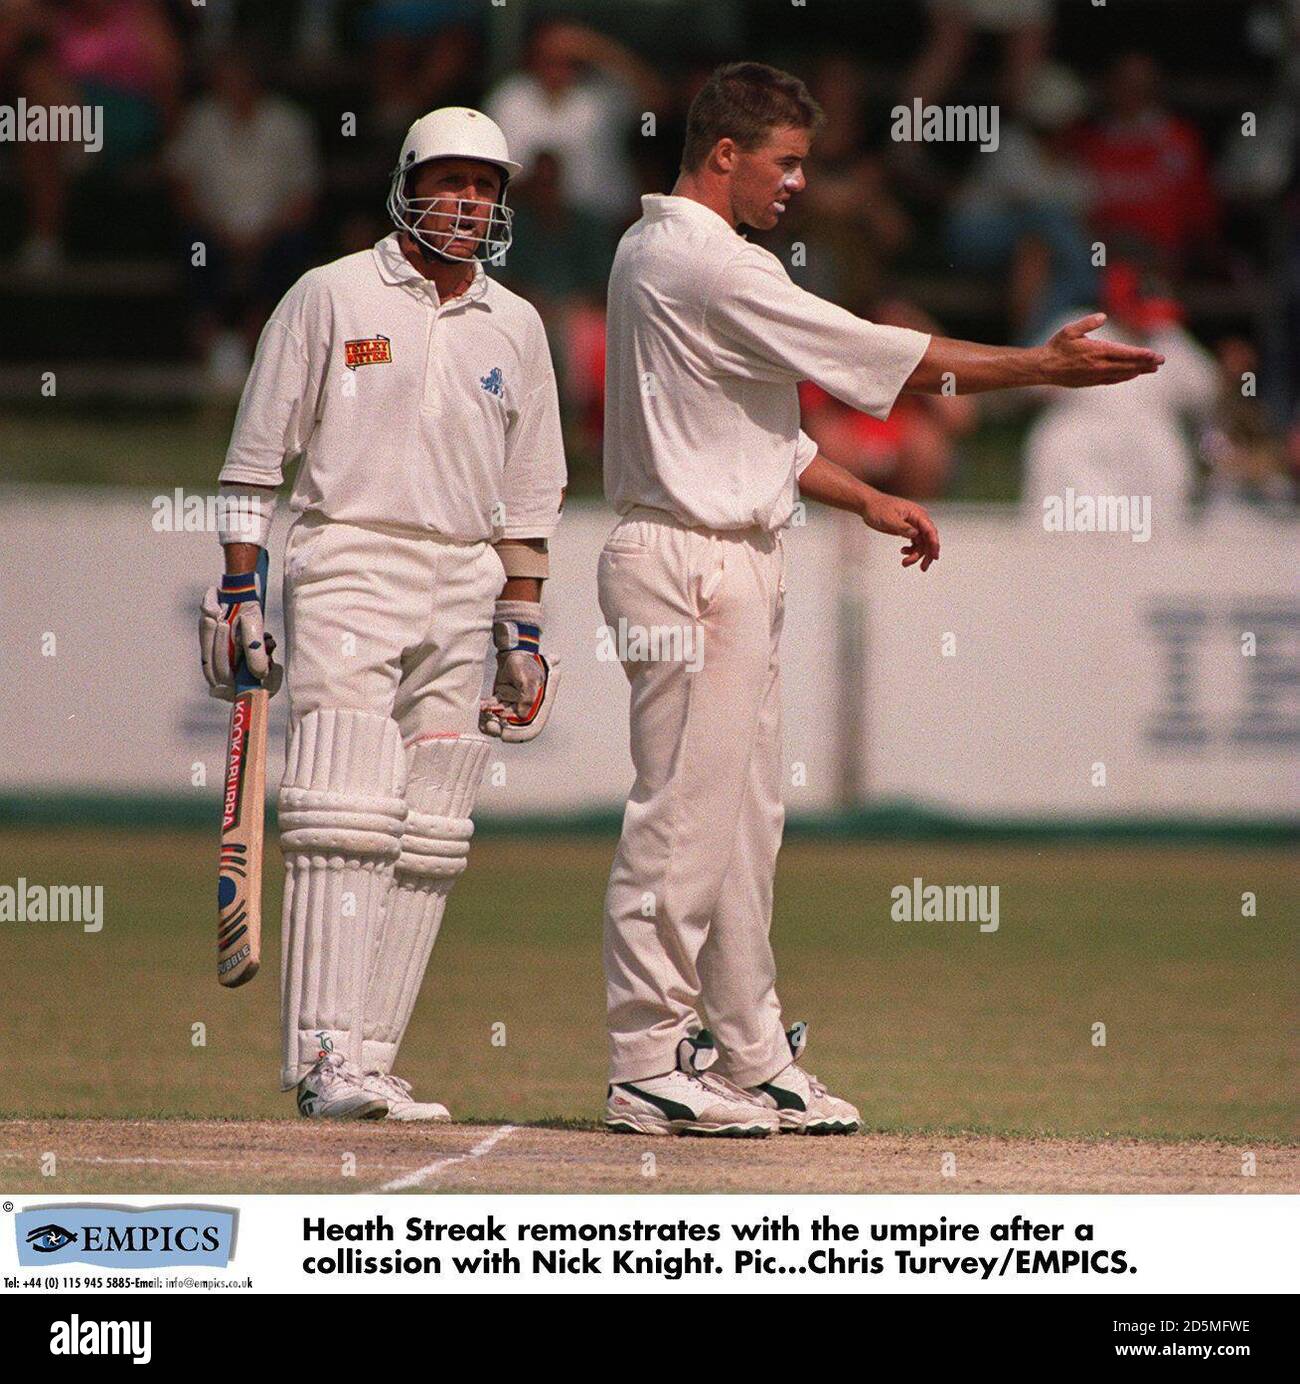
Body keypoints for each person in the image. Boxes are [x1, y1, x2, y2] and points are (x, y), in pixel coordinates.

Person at [599, 62, 1162, 1139]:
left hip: (721, 548)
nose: (799, 183)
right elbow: (883, 357)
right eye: (786, 161)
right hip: (689, 560)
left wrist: (861, 494)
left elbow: (748, 436)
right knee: (683, 819)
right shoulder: (707, 264)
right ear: (725, 154)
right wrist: (1037, 366)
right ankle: (642, 1058)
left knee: (741, 826)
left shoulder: (655, 249)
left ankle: (747, 1055)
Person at [199, 107, 566, 1121]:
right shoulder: (331, 294)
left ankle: (368, 1054)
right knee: (345, 804)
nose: (469, 202)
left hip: (464, 579)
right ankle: (323, 1059)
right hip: (350, 555)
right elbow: (253, 461)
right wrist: (240, 587)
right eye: (450, 181)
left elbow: (530, 497)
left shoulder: (516, 325)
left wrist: (521, 626)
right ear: (407, 186)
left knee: (435, 820)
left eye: (486, 186)